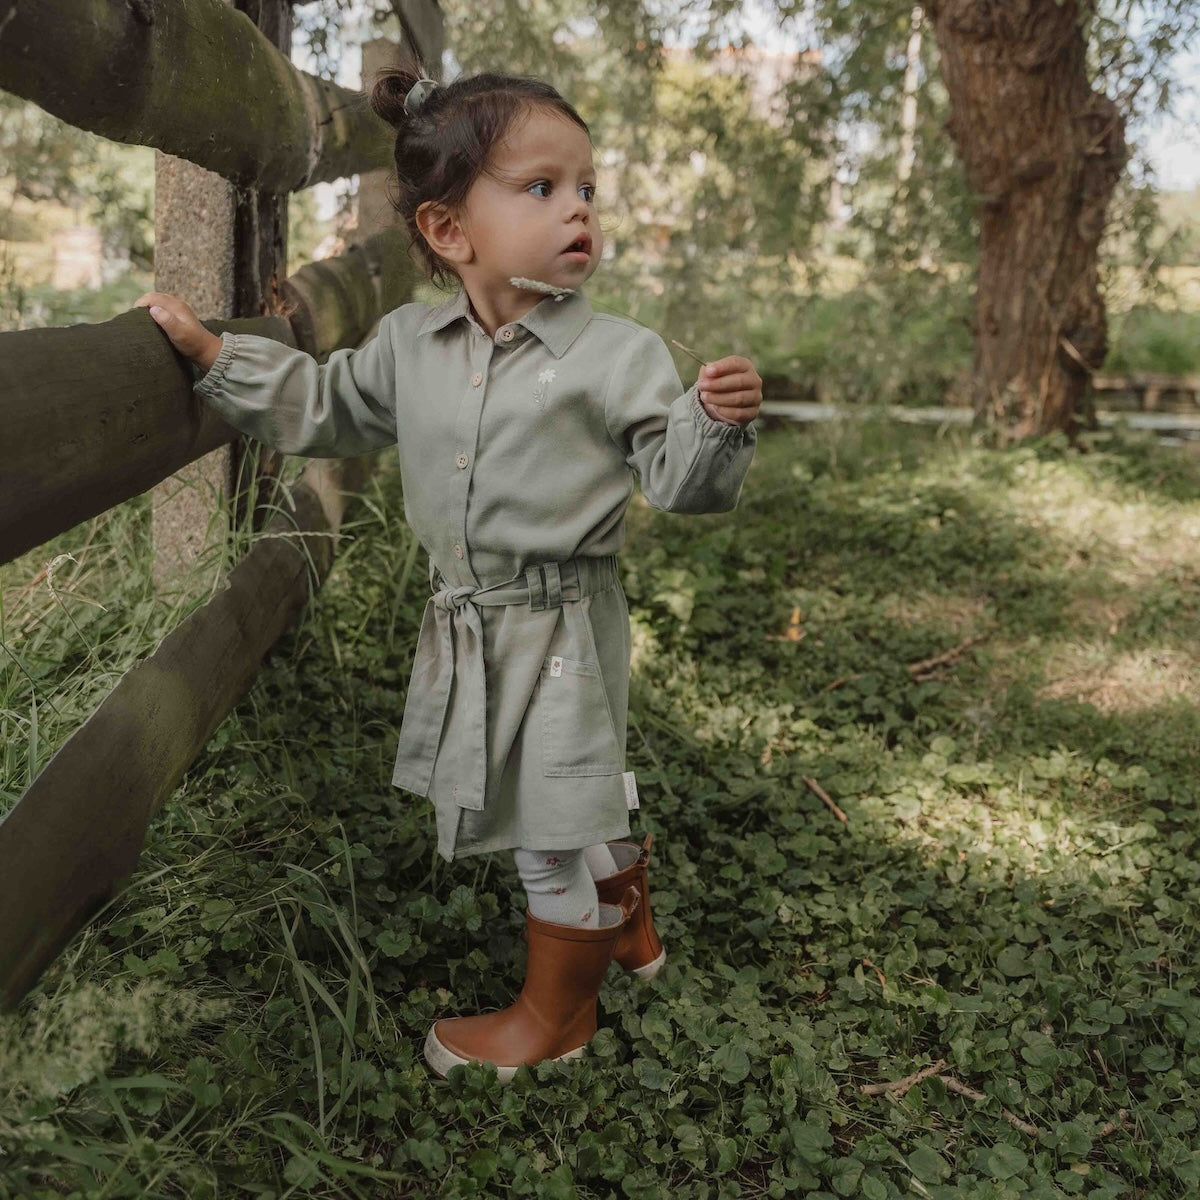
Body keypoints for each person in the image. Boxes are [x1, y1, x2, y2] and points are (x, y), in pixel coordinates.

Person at [136, 69, 761, 1082]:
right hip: (471, 624)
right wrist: (218, 356)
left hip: (560, 627)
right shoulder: (408, 349)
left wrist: (712, 425)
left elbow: (677, 479)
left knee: (539, 820)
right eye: (540, 188)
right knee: (557, 790)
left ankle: (556, 1020)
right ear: (448, 230)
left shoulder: (618, 357)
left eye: (586, 189)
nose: (578, 211)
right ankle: (625, 919)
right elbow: (324, 406)